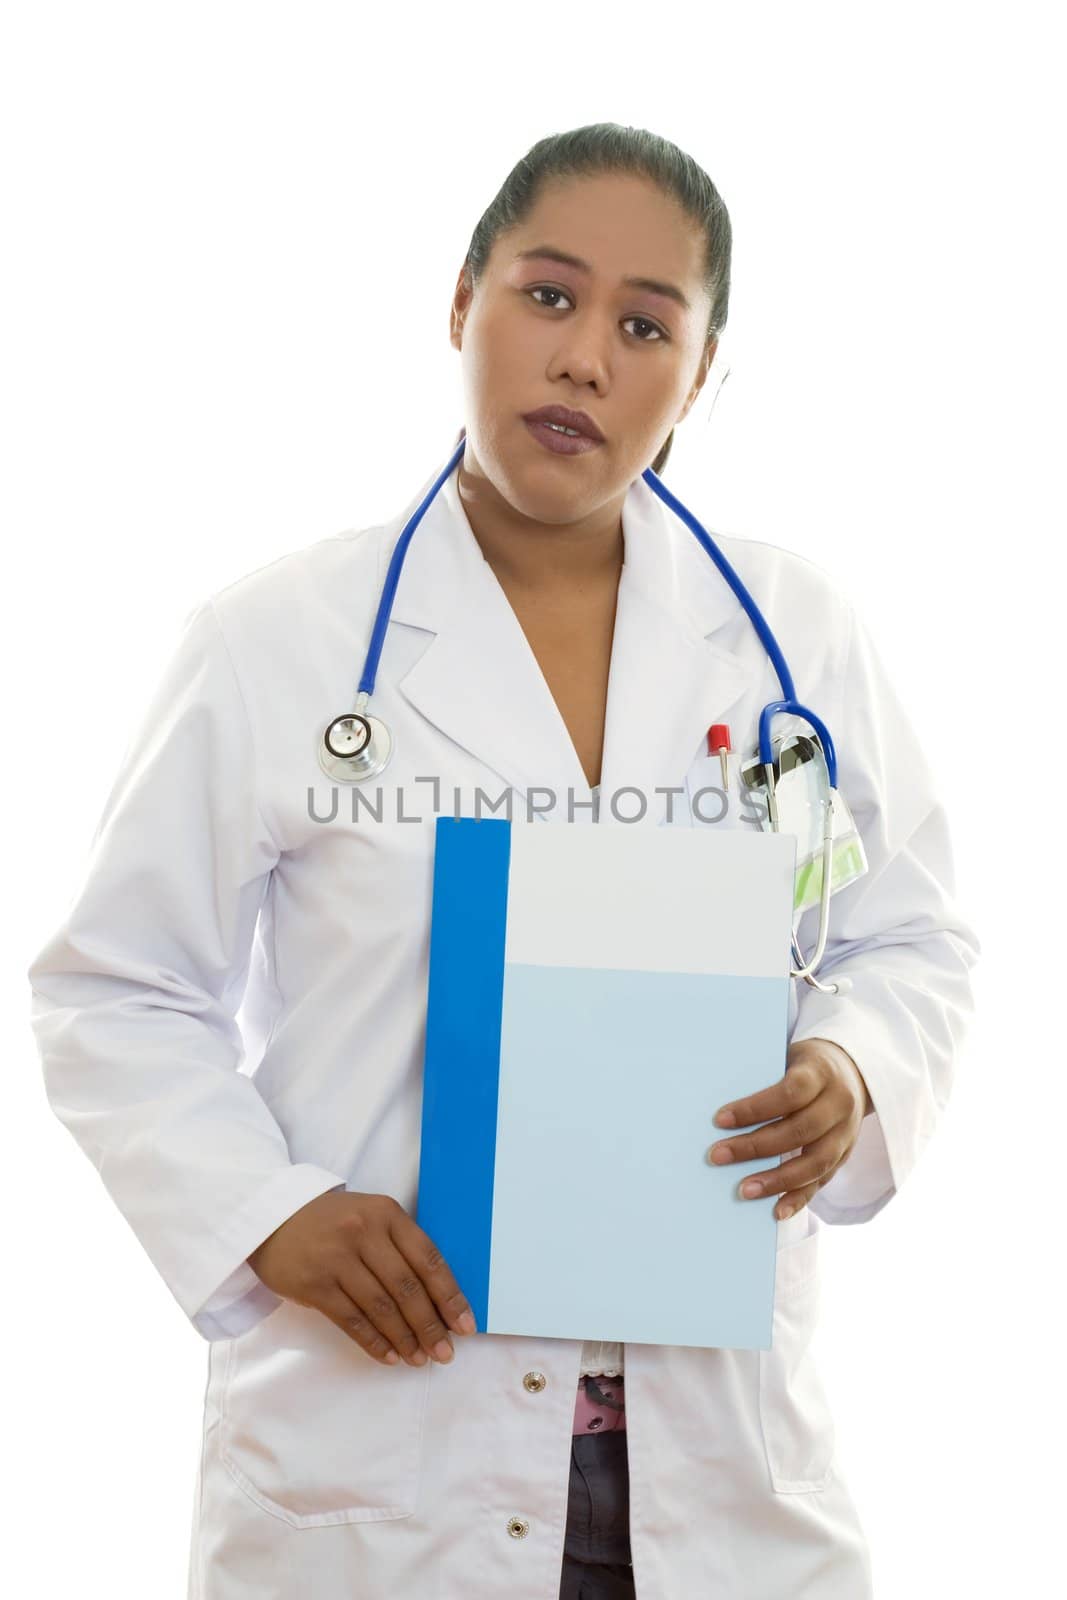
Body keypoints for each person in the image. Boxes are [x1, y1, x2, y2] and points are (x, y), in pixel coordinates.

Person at [27, 122, 979, 1600]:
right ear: (460, 300)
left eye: (645, 323)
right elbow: (114, 990)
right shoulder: (276, 643)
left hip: (720, 1467)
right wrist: (265, 1214)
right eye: (547, 296)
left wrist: (854, 1067)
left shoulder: (799, 643)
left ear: (703, 375)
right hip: (389, 1463)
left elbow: (910, 941)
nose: (586, 357)